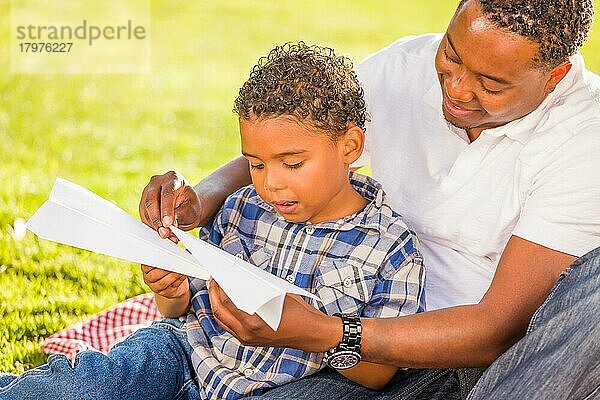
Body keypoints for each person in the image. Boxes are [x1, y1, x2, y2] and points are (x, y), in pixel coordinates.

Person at [140, 0, 600, 399]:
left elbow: (495, 329)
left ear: (556, 74)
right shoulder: (403, 68)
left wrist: (326, 335)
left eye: (491, 84)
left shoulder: (585, 138)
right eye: (452, 55)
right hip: (342, 310)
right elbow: (298, 140)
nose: (457, 89)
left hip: (439, 361)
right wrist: (200, 198)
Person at [0, 43, 426, 399]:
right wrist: (170, 289)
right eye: (256, 164)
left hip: (281, 385)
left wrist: (305, 332)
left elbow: (378, 375)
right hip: (184, 351)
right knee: (78, 387)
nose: (271, 185)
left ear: (350, 147)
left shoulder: (391, 246)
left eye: (292, 164)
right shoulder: (241, 207)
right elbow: (181, 310)